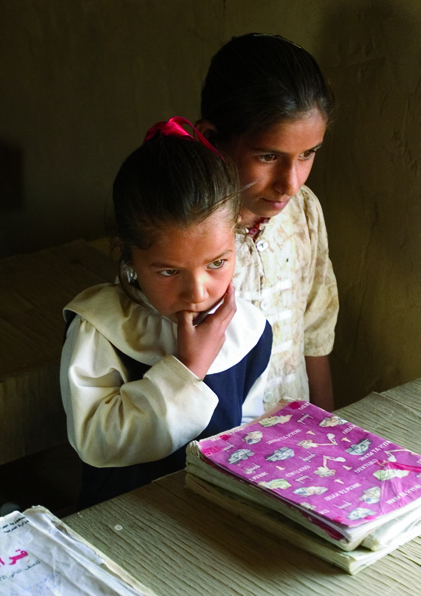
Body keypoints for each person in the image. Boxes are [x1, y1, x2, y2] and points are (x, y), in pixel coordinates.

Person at [60, 118, 273, 509]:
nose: (197, 291)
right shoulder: (100, 329)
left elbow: (246, 439)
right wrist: (186, 370)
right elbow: (95, 441)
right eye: (169, 271)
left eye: (217, 263)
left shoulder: (250, 331)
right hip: (122, 526)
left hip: (216, 526)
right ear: (129, 257)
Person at [196, 33, 338, 413]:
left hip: (300, 448)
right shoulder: (186, 232)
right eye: (268, 156)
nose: (290, 183)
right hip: (216, 449)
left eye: (307, 154)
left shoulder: (303, 211)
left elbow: (315, 330)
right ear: (211, 139)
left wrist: (327, 428)